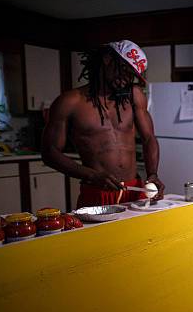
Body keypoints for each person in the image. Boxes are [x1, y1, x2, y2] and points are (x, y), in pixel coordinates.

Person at [42, 40, 164, 208]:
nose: (126, 80)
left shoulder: (134, 96)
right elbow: (49, 152)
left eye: (132, 75)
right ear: (107, 59)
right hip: (96, 192)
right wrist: (92, 175)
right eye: (124, 71)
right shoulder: (70, 101)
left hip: (134, 190)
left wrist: (153, 174)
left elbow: (149, 138)